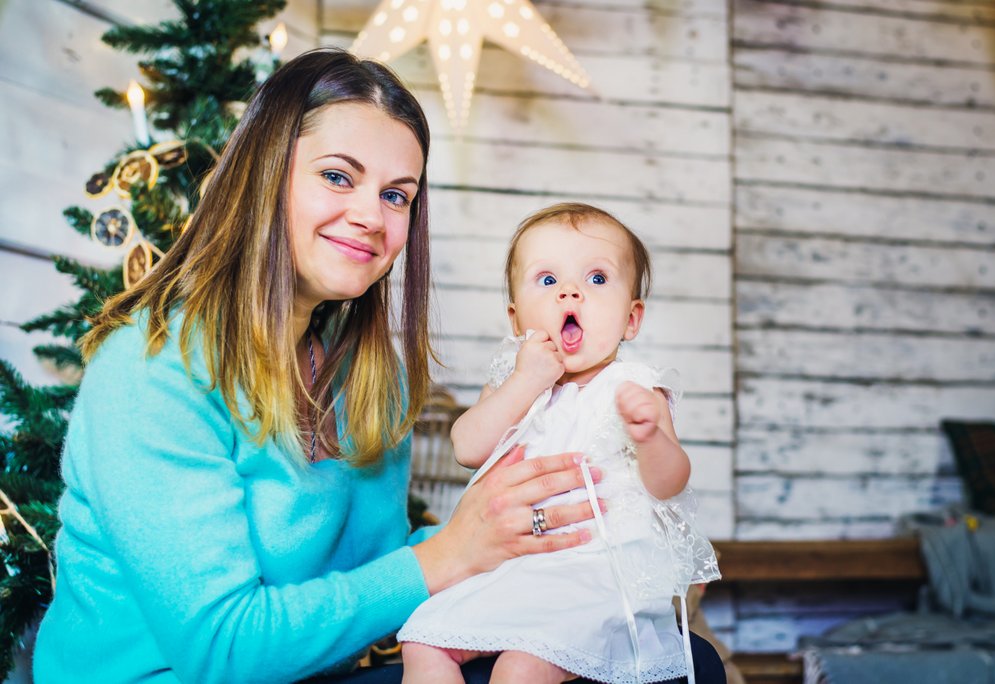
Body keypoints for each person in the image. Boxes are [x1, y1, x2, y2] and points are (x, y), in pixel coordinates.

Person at [32, 49, 603, 684]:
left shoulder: (366, 374)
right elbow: (222, 650)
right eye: (337, 177)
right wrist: (449, 553)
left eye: (395, 195)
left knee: (651, 661)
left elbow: (380, 577)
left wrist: (524, 545)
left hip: (316, 677)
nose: (370, 217)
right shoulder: (150, 370)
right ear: (264, 174)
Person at [398, 203, 723, 684]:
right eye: (547, 281)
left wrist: (651, 435)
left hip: (596, 572)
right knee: (423, 640)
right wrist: (524, 382)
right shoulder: (515, 380)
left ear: (631, 319)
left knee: (521, 667)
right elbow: (467, 447)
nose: (571, 291)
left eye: (596, 279)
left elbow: (669, 483)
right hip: (515, 567)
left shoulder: (633, 386)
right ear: (516, 319)